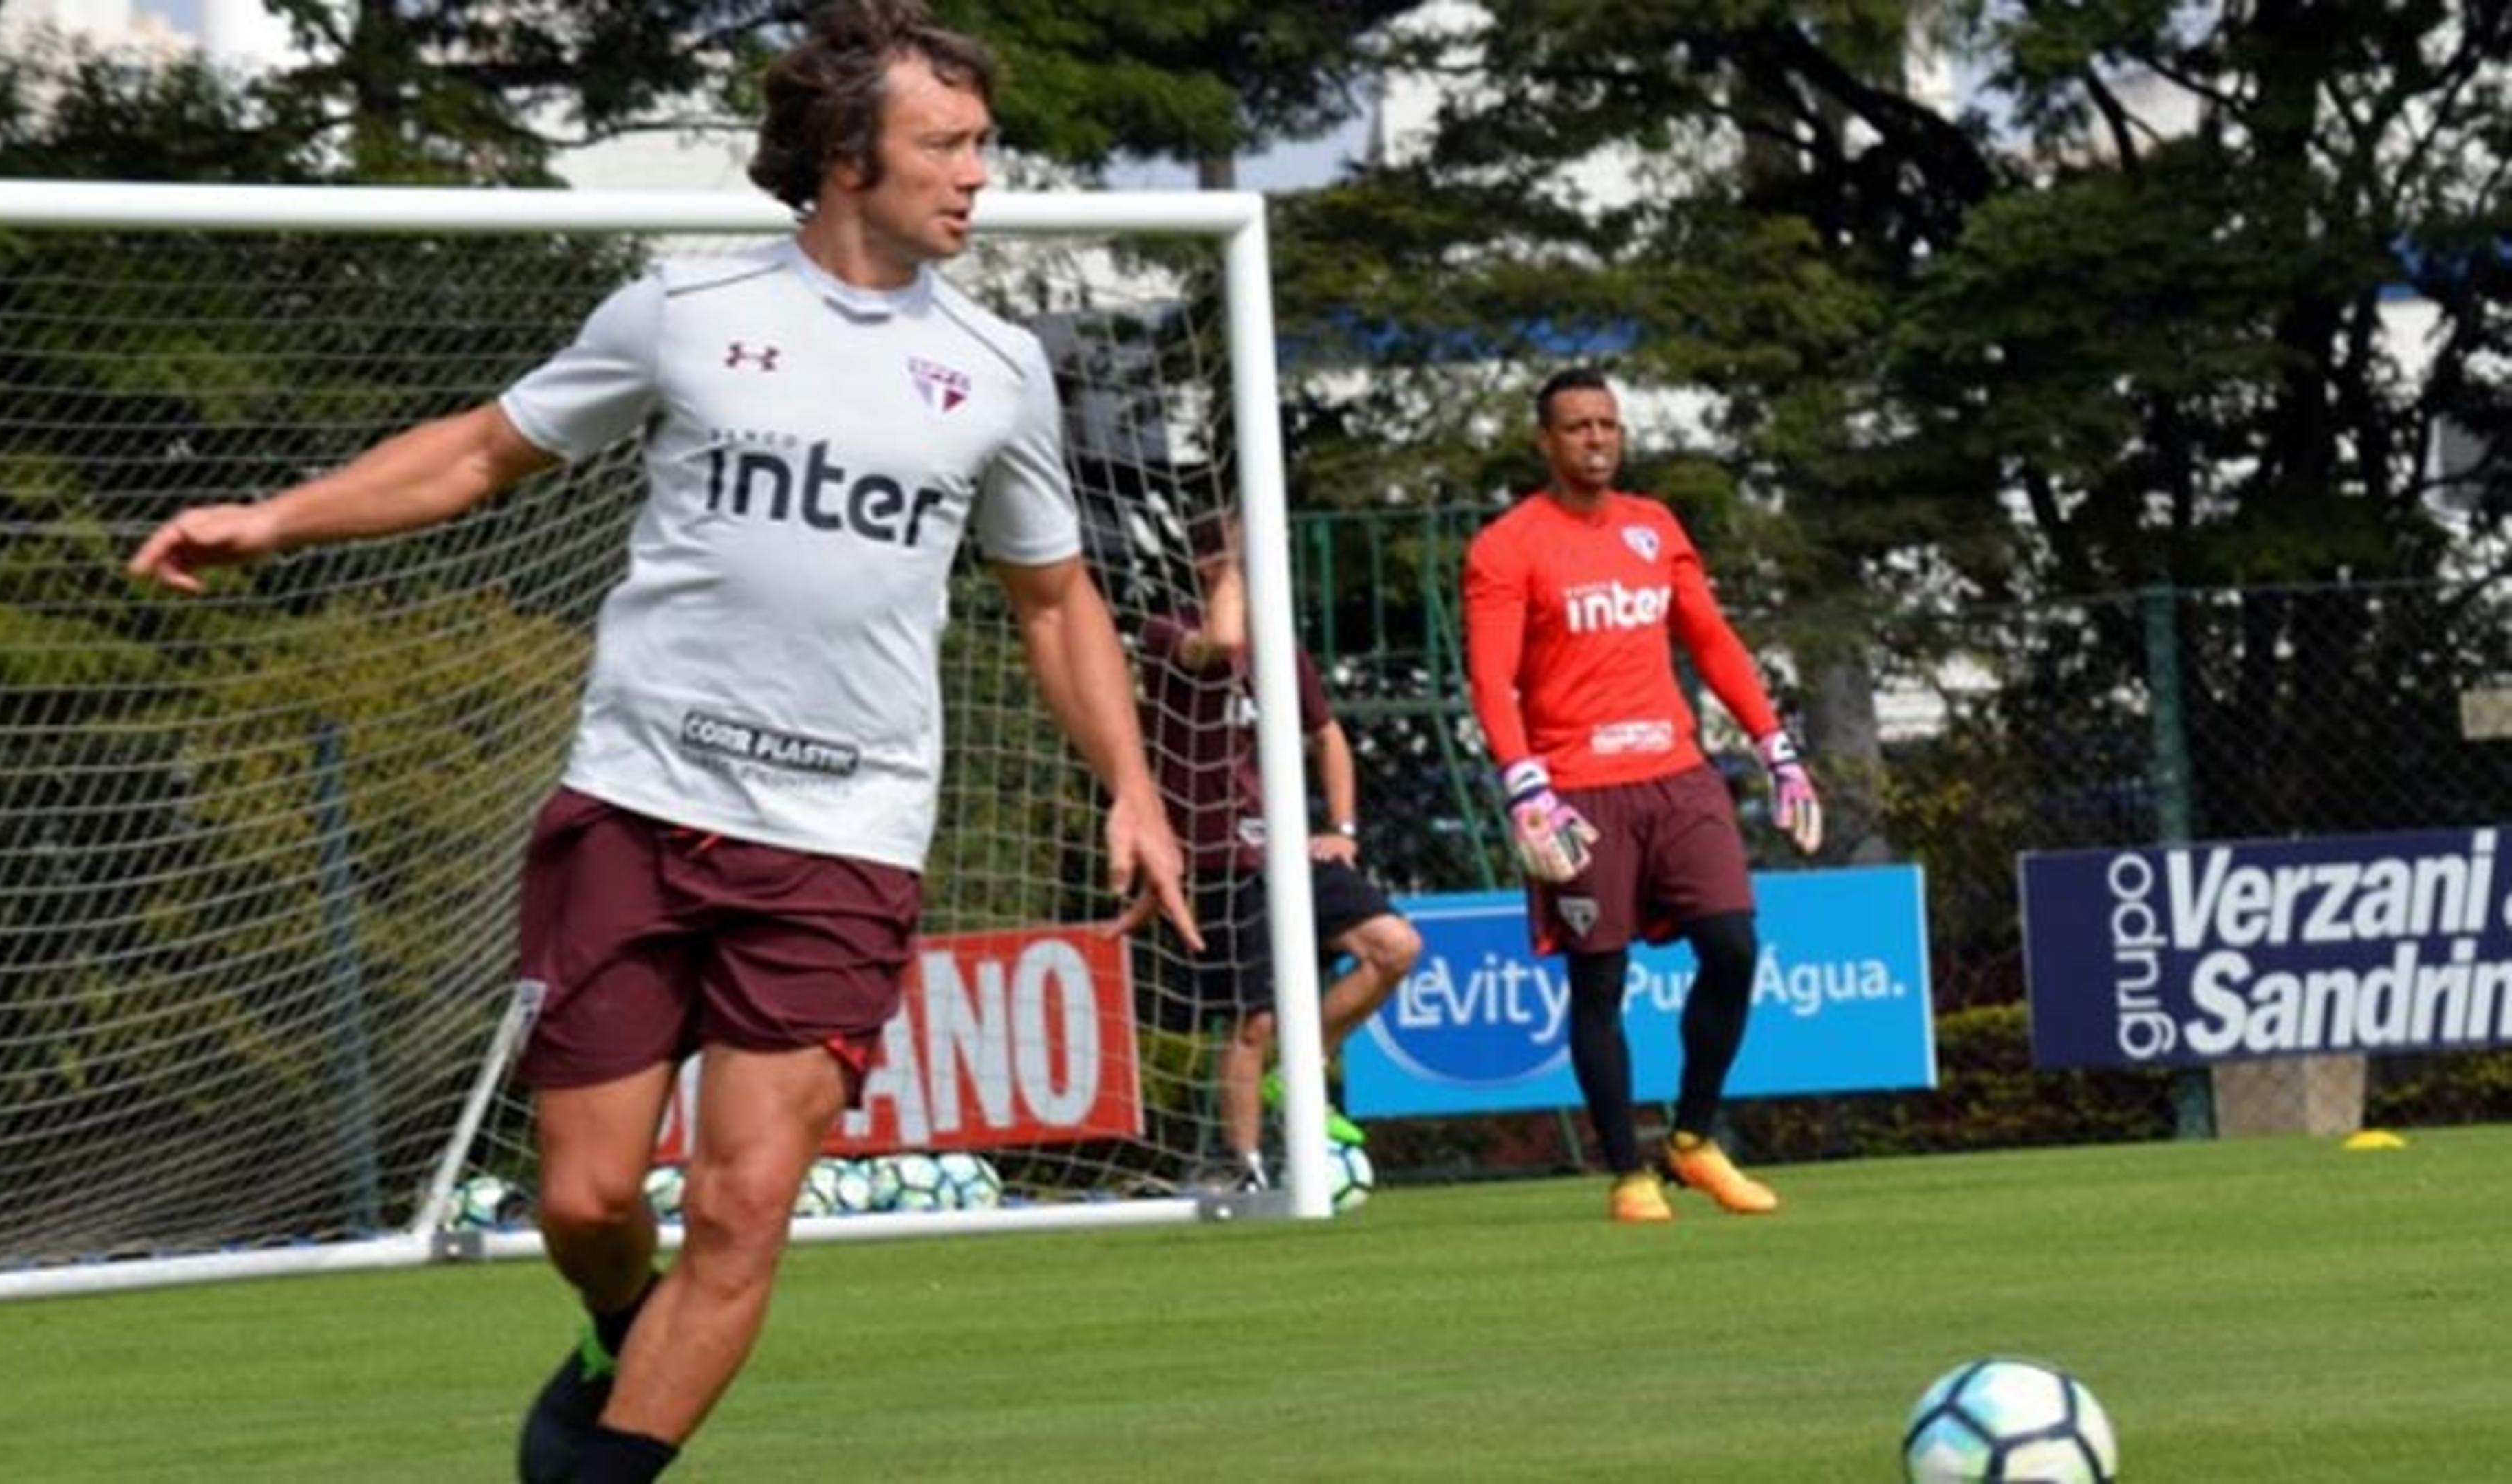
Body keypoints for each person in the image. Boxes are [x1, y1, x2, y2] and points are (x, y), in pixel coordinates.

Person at [126, 4, 1195, 1478]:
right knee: (581, 1199)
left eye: (982, 144)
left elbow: (1054, 597)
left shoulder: (997, 367)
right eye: (945, 144)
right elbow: (480, 452)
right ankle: (620, 1319)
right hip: (635, 807)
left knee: (747, 1204)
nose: (977, 176)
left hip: (845, 838)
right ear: (844, 154)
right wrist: (276, 518)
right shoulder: (681, 317)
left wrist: (1130, 786)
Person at [1460, 365, 1823, 1225]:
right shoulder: (1507, 546)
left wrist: (1777, 748)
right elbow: (1491, 678)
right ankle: (1628, 1173)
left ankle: (1693, 1142)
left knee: (1733, 945)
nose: (1597, 440)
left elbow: (1713, 641)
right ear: (1545, 442)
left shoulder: (1654, 528)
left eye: (1608, 425)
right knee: (1600, 981)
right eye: (1578, 426)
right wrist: (1523, 784)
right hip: (1579, 790)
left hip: (1678, 775)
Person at [1140, 510, 1423, 1193]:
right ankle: (1242, 1166)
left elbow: (1326, 736)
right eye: (1245, 557)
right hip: (1219, 857)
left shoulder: (1282, 650)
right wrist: (1233, 574)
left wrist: (1343, 829)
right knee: (1256, 1017)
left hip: (1289, 855)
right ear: (1212, 565)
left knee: (1397, 946)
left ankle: (1299, 1068)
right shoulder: (1168, 630)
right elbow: (1220, 640)